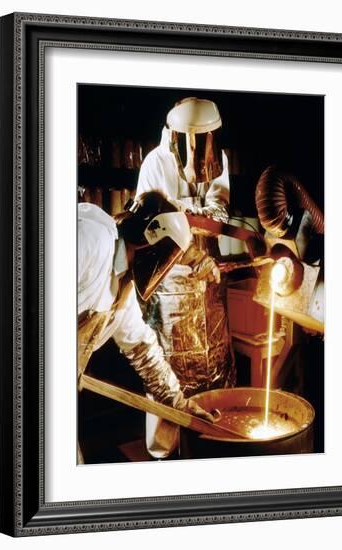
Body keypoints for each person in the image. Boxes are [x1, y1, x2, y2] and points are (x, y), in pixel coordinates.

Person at [77, 190, 214, 463]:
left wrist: (179, 403)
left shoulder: (121, 287)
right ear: (152, 245)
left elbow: (142, 348)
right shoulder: (91, 241)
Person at [136, 97, 236, 458]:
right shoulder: (155, 163)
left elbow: (219, 210)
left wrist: (186, 215)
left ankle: (214, 444)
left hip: (208, 280)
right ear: (178, 138)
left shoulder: (219, 159)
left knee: (215, 364)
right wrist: (191, 221)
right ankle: (164, 456)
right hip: (171, 283)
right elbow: (154, 225)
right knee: (170, 372)